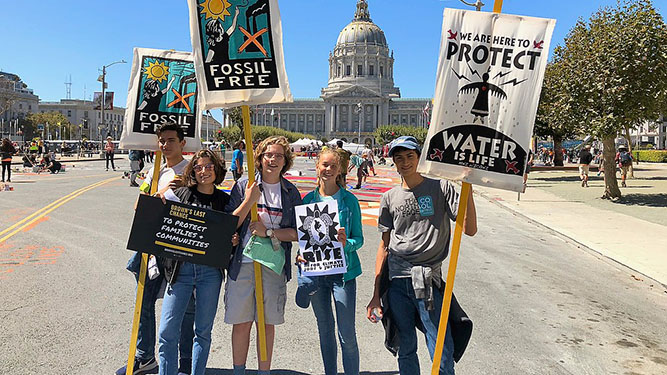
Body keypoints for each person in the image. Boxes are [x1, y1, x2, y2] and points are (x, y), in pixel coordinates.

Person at [366, 136, 477, 375]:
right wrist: (376, 293)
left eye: (409, 157)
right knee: (405, 346)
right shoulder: (389, 197)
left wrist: (469, 189)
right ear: (394, 162)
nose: (405, 162)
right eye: (399, 158)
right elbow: (384, 246)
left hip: (427, 280)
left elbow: (469, 229)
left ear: (419, 158)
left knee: (441, 347)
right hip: (397, 281)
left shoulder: (440, 188)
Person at [117, 123, 195, 375]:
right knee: (144, 300)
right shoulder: (155, 171)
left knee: (183, 307)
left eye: (171, 140)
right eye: (162, 140)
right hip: (150, 243)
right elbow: (140, 206)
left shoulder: (191, 172)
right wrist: (159, 193)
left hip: (176, 247)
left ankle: (185, 362)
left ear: (182, 143)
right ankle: (145, 356)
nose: (165, 144)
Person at [224, 136, 302, 375]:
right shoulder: (243, 186)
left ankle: (263, 372)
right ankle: (239, 371)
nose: (273, 159)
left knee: (266, 323)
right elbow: (229, 225)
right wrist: (249, 201)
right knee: (242, 322)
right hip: (244, 263)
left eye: (279, 155)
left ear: (285, 161)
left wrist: (269, 232)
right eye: (269, 154)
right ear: (259, 158)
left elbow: (299, 232)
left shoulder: (290, 192)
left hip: (273, 264)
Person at [157, 149, 239, 375]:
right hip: (180, 272)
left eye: (209, 167)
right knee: (167, 332)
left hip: (210, 273)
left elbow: (232, 232)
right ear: (193, 170)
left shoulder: (225, 200)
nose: (204, 171)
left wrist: (232, 240)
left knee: (202, 332)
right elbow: (155, 217)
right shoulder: (182, 194)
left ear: (217, 169)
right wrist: (162, 194)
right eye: (199, 167)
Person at [297, 147, 364, 375]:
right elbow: (304, 240)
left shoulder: (349, 201)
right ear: (317, 167)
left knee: (347, 335)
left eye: (333, 166)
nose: (327, 169)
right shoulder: (308, 200)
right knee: (325, 331)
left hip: (343, 275)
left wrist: (347, 243)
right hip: (317, 273)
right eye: (324, 165)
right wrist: (301, 254)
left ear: (339, 170)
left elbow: (359, 239)